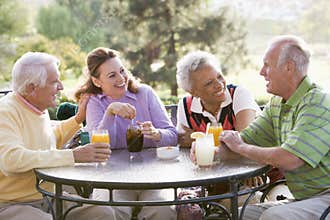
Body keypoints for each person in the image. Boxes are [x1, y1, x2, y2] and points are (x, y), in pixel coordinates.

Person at [220, 35, 330, 220]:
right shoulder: (277, 104)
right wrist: (214, 151)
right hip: (305, 199)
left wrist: (240, 147)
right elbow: (244, 140)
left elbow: (290, 159)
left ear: (288, 67)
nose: (262, 72)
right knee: (236, 215)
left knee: (273, 217)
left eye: (267, 65)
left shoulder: (318, 103)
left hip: (326, 197)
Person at [0, 52, 113, 220]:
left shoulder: (37, 107)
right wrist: (73, 155)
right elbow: (11, 160)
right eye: (54, 82)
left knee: (102, 213)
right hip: (11, 204)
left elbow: (48, 139)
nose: (61, 86)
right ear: (32, 87)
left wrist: (77, 119)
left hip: (49, 197)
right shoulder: (6, 112)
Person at [75, 47, 177, 220]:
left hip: (153, 177)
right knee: (109, 212)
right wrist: (110, 112)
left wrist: (156, 133)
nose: (121, 78)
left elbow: (172, 136)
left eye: (122, 71)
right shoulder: (94, 102)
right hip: (112, 178)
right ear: (97, 81)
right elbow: (100, 147)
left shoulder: (145, 93)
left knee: (163, 211)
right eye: (112, 75)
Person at [176, 50, 260, 148]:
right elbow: (183, 140)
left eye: (219, 76)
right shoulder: (186, 106)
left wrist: (199, 140)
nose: (219, 85)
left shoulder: (239, 95)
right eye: (209, 83)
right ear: (194, 92)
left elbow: (243, 142)